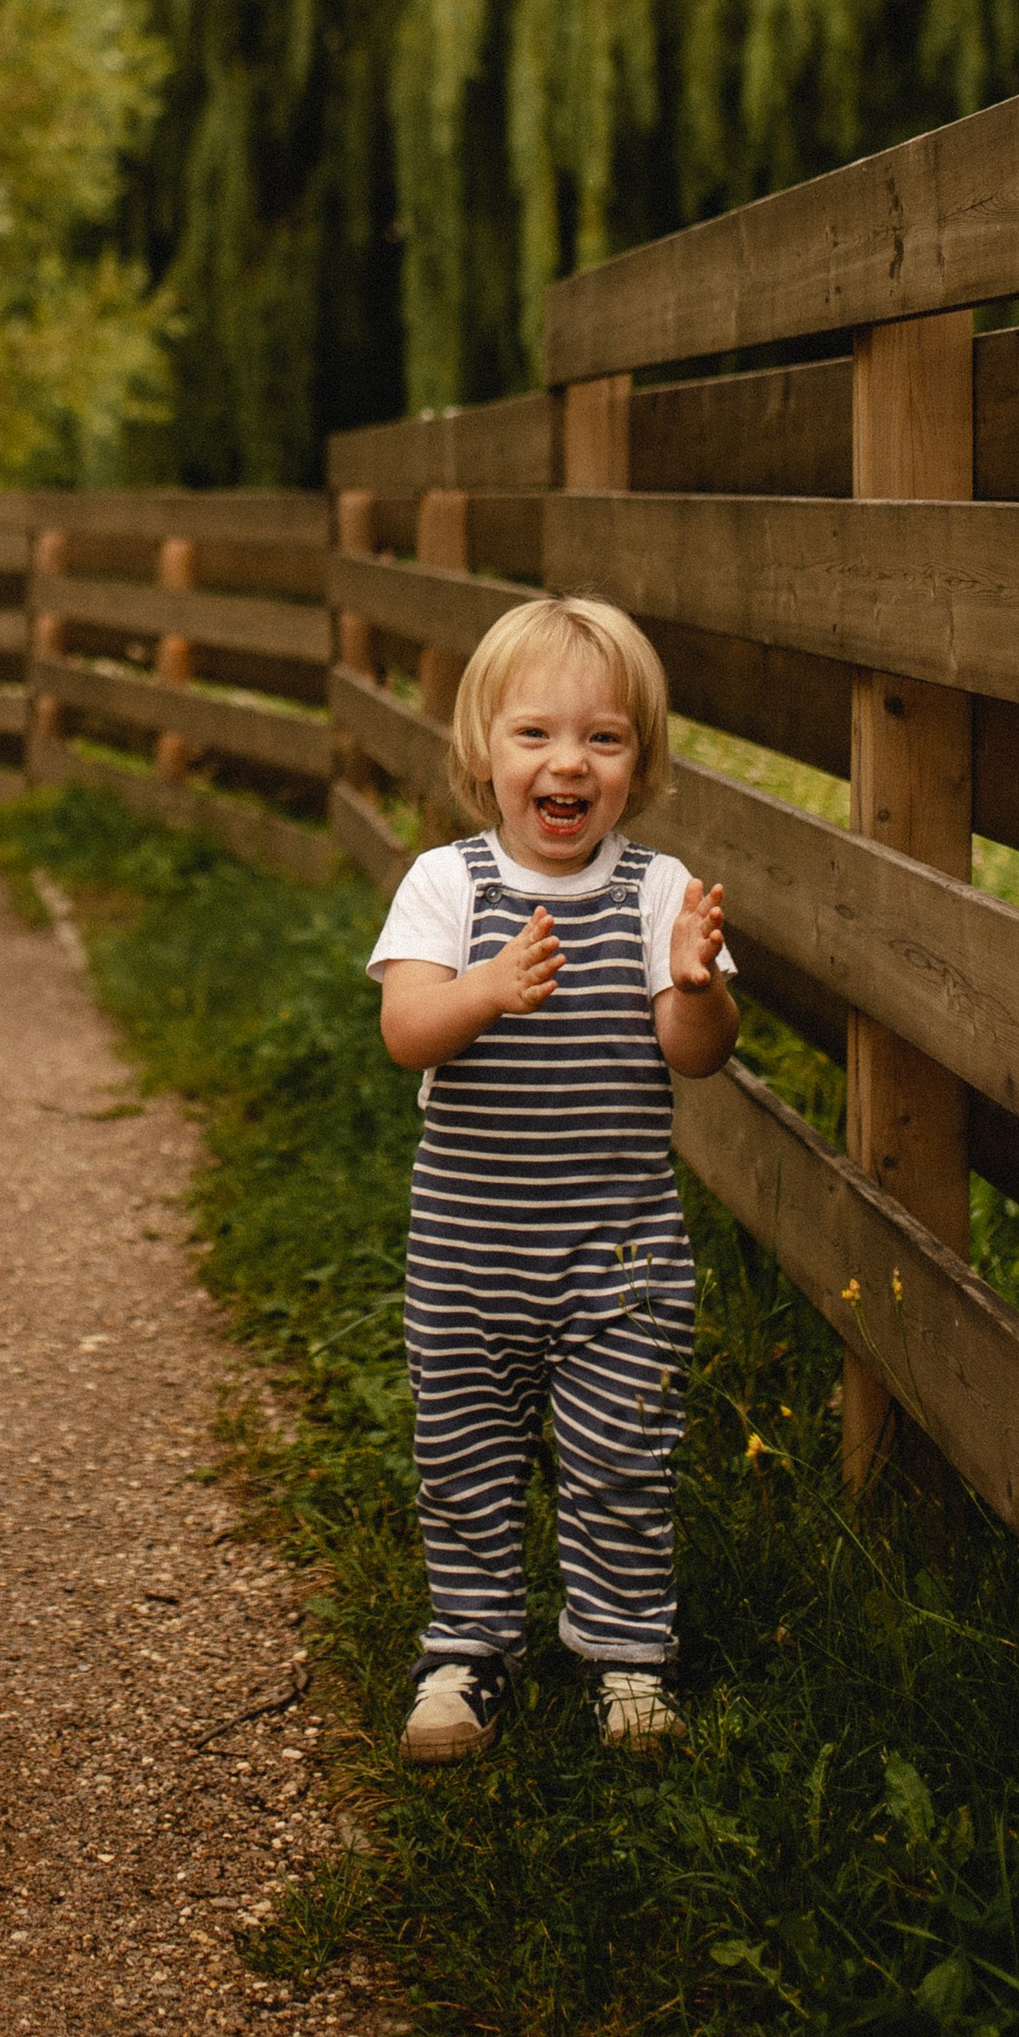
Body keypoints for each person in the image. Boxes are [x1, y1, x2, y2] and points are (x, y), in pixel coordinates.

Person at [368, 593, 736, 1763]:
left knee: (622, 1456)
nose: (566, 761)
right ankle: (464, 1653)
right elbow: (406, 1030)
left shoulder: (657, 893)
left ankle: (627, 1659)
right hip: (470, 1257)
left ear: (639, 762)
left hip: (617, 1258)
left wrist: (695, 982)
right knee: (465, 1455)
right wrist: (484, 989)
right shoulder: (448, 884)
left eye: (603, 737)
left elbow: (695, 1053)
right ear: (485, 749)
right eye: (535, 733)